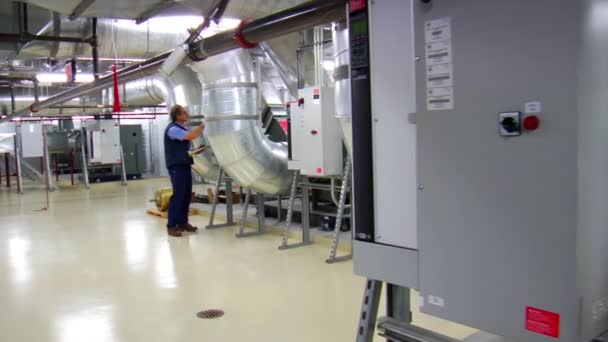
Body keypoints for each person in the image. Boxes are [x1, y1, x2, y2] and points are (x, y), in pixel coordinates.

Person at [164, 104, 205, 237]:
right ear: (177, 115)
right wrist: (203, 126)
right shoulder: (173, 129)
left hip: (184, 165)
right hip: (177, 167)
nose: (186, 115)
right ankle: (172, 226)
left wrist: (195, 151)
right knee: (178, 195)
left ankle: (182, 222)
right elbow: (191, 135)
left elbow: (184, 149)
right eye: (183, 113)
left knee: (186, 195)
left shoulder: (180, 129)